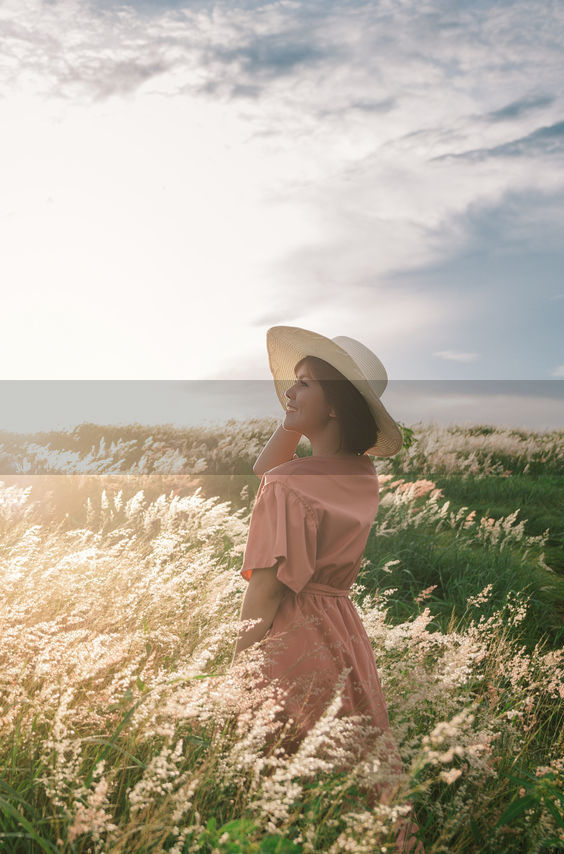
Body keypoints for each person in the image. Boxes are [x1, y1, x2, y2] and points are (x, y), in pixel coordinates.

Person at [231, 325, 423, 853]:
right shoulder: (361, 475)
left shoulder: (289, 484)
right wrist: (299, 415)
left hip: (292, 636)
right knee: (351, 769)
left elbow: (266, 595)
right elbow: (267, 470)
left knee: (284, 781)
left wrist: (234, 664)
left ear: (335, 406)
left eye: (305, 385)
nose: (288, 394)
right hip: (342, 632)